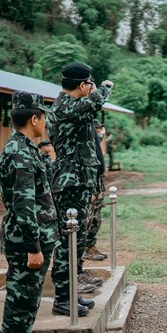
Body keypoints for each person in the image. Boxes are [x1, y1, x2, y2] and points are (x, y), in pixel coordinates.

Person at [49, 63, 114, 316]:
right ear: (82, 85)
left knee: (75, 240)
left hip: (78, 181)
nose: (92, 87)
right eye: (90, 83)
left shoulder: (75, 108)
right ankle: (62, 299)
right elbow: (94, 103)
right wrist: (105, 88)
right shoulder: (66, 106)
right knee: (68, 241)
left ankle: (69, 295)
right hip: (69, 183)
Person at [0, 91, 62, 331]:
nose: (45, 122)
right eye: (43, 117)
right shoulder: (20, 153)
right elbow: (23, 204)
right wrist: (33, 248)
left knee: (26, 306)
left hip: (32, 238)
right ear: (34, 119)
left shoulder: (25, 148)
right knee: (20, 310)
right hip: (27, 242)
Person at [83, 119, 108, 262]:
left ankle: (90, 245)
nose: (99, 131)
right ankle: (85, 248)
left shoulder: (94, 140)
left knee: (96, 217)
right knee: (89, 217)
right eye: (97, 129)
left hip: (97, 182)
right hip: (91, 183)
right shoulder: (89, 140)